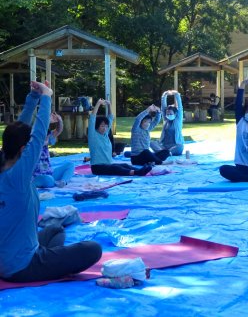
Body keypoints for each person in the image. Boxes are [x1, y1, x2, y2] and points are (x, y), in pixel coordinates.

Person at [0, 81, 102, 282]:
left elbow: (18, 131)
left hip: (7, 257)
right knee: (92, 249)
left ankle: (51, 261)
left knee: (55, 229)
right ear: (23, 150)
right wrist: (47, 97)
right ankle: (49, 265)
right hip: (21, 266)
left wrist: (33, 99)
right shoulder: (19, 176)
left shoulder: (5, 162)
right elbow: (37, 136)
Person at [88, 99, 151, 176]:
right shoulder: (93, 135)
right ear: (97, 126)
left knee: (124, 165)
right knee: (116, 168)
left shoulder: (106, 134)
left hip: (108, 164)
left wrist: (109, 105)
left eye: (106, 126)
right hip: (97, 167)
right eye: (102, 126)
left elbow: (110, 117)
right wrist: (98, 103)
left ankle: (142, 170)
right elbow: (92, 118)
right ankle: (136, 173)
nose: (105, 128)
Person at [33, 112, 75, 188]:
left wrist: (60, 120)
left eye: (48, 137)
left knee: (70, 165)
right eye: (46, 137)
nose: (47, 138)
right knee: (48, 180)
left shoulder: (47, 139)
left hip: (49, 173)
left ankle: (63, 182)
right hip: (37, 177)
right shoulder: (33, 142)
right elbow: (39, 142)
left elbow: (58, 130)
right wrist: (47, 120)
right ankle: (53, 182)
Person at [150, 90, 184, 156]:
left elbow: (180, 108)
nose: (169, 115)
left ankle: (165, 153)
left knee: (180, 147)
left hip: (175, 146)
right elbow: (163, 108)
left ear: (175, 113)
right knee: (151, 143)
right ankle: (164, 153)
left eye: (170, 113)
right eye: (167, 113)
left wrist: (176, 95)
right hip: (163, 146)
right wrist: (164, 95)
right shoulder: (166, 119)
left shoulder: (178, 120)